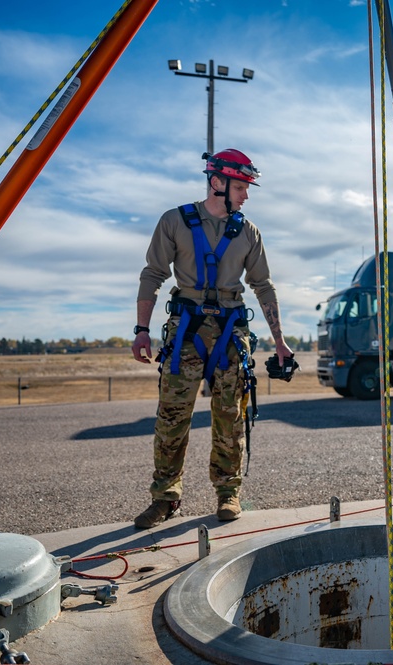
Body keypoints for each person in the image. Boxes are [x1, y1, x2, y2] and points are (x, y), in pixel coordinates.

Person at [131, 148, 293, 529]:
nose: (246, 196)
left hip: (231, 332)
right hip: (185, 329)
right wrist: (141, 330)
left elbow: (263, 286)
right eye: (240, 187)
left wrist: (280, 341)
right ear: (216, 183)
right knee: (172, 416)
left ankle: (227, 492)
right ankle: (165, 498)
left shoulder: (249, 232)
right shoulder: (175, 221)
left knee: (230, 417)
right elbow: (152, 274)